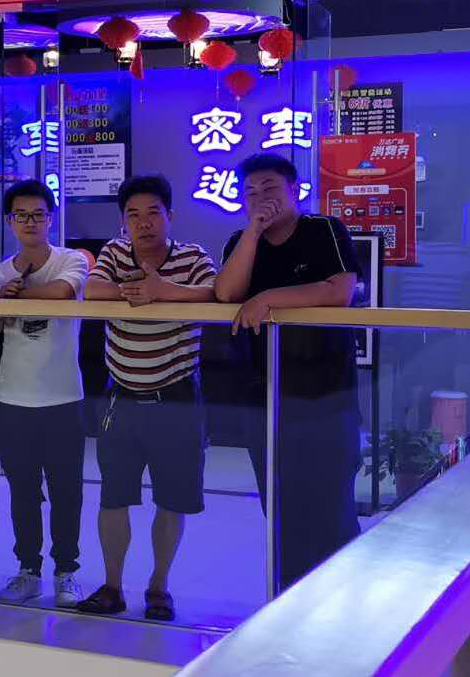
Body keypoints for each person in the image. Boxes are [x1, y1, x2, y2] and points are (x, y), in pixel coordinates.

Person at [215, 153, 362, 591]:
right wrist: (253, 232)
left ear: (294, 190)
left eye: (270, 188)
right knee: (279, 505)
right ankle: (290, 596)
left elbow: (339, 291)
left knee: (331, 503)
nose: (259, 198)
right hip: (264, 395)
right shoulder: (241, 241)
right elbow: (227, 293)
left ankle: (339, 596)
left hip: (326, 396)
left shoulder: (323, 230)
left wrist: (268, 299)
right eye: (250, 192)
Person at [76, 174, 216, 622]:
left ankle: (159, 586)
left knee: (172, 499)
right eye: (133, 214)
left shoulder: (193, 256)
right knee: (112, 497)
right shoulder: (115, 253)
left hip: (176, 398)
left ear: (169, 216)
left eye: (153, 212)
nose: (143, 222)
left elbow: (214, 295)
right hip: (121, 397)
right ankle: (112, 586)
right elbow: (92, 289)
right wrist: (134, 291)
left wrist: (163, 292)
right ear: (123, 221)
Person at [0, 180, 89, 608]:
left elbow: (62, 294)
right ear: (9, 221)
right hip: (12, 399)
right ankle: (28, 570)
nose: (30, 222)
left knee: (67, 492)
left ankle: (66, 571)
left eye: (38, 214)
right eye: (21, 215)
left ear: (51, 219)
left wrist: (17, 295)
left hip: (63, 398)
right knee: (23, 492)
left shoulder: (70, 260)